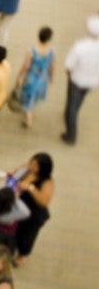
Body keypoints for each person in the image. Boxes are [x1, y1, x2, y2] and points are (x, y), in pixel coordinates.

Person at [61, 15, 99, 145]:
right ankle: (75, 113)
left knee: (71, 104)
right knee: (79, 100)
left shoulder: (80, 46)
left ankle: (71, 134)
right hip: (92, 81)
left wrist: (69, 74)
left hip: (77, 79)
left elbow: (69, 65)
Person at [14, 152, 54, 267]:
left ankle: (22, 254)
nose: (31, 166)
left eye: (35, 165)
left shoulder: (47, 182)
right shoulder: (27, 169)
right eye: (31, 162)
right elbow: (16, 173)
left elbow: (44, 201)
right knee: (14, 230)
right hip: (19, 208)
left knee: (26, 236)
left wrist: (30, 187)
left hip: (33, 215)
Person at [16, 26, 54, 128]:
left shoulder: (32, 51)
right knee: (34, 97)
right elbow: (51, 67)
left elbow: (26, 65)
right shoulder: (51, 52)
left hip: (31, 79)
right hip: (43, 79)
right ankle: (30, 109)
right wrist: (51, 78)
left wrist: (19, 76)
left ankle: (28, 120)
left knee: (28, 99)